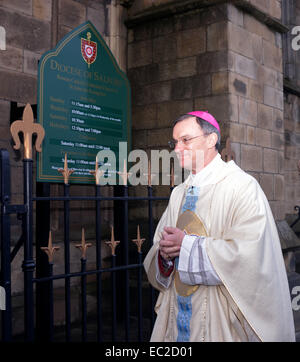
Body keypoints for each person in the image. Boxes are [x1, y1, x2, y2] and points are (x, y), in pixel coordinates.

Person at [143, 111, 295, 342]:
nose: (176, 148)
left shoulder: (241, 187)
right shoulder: (178, 193)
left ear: (211, 139)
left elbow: (249, 256)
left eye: (185, 140)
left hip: (219, 318)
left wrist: (186, 246)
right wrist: (165, 255)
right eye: (174, 142)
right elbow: (159, 247)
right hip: (178, 317)